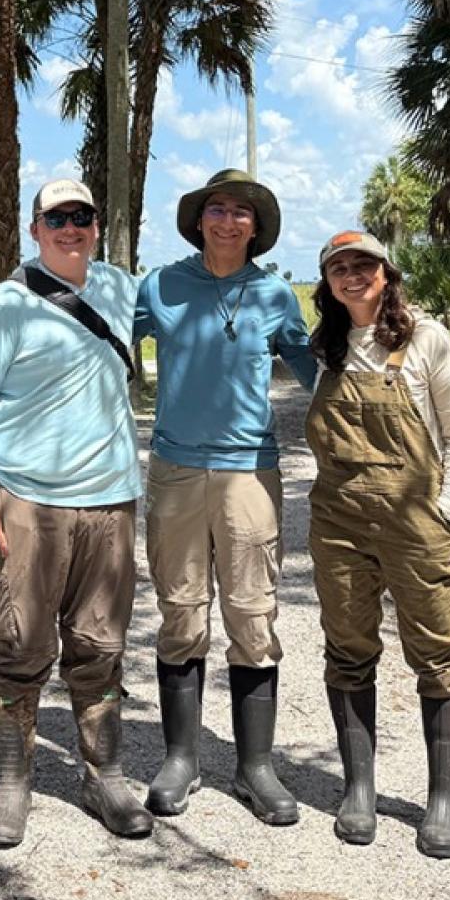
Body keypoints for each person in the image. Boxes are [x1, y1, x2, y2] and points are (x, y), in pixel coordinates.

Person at [0, 179, 152, 848]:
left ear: (98, 225)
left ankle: (105, 773)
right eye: (57, 217)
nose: (71, 227)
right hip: (29, 502)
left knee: (100, 645)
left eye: (82, 216)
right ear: (35, 229)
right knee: (21, 644)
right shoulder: (4, 309)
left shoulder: (123, 290)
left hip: (111, 501)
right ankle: (13, 781)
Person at [134, 169, 318, 826]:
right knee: (181, 612)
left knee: (252, 614)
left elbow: (315, 370)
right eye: (217, 208)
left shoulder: (274, 294)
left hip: (251, 473)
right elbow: (103, 344)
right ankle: (180, 757)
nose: (228, 220)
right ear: (199, 219)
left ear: (256, 227)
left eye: (241, 211)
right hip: (176, 472)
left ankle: (255, 767)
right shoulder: (159, 286)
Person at [305, 230, 450, 858]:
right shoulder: (325, 347)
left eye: (364, 266)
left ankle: (442, 801)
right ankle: (358, 789)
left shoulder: (425, 339)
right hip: (339, 524)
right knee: (347, 649)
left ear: (386, 273)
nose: (353, 276)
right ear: (328, 283)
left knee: (438, 654)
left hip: (416, 524)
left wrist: (447, 512)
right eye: (339, 268)